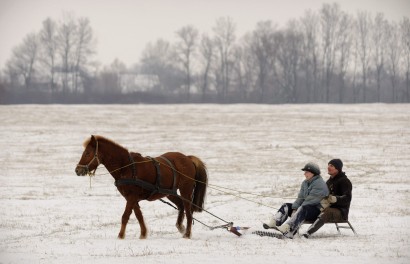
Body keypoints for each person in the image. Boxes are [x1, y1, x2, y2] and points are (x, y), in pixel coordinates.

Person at [263, 162, 329, 239]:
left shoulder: (319, 184)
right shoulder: (305, 183)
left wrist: (297, 210)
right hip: (305, 208)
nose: (304, 174)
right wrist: (294, 207)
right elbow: (300, 197)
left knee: (303, 208)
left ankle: (289, 229)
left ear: (313, 173)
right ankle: (275, 223)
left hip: (316, 210)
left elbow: (311, 201)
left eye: (306, 172)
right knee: (286, 206)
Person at [302, 158, 352, 238]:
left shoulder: (344, 181)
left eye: (331, 166)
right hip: (326, 207)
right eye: (328, 165)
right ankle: (291, 229)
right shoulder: (329, 182)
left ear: (338, 168)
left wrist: (335, 199)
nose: (328, 167)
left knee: (326, 211)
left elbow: (347, 198)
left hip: (341, 211)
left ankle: (308, 233)